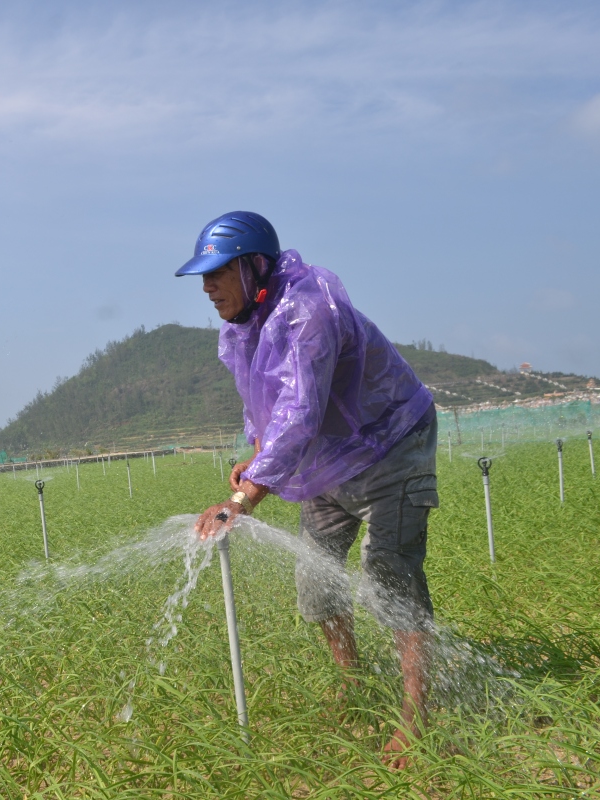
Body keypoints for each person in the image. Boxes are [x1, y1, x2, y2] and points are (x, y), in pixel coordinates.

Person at [178, 211, 438, 768]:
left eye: (219, 271)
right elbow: (265, 404)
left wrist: (244, 498)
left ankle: (418, 718)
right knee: (315, 578)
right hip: (328, 458)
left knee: (390, 572)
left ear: (254, 266)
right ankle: (355, 686)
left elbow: (299, 412)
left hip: (390, 442)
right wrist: (256, 456)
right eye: (203, 275)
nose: (207, 286)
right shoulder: (242, 326)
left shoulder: (307, 311)